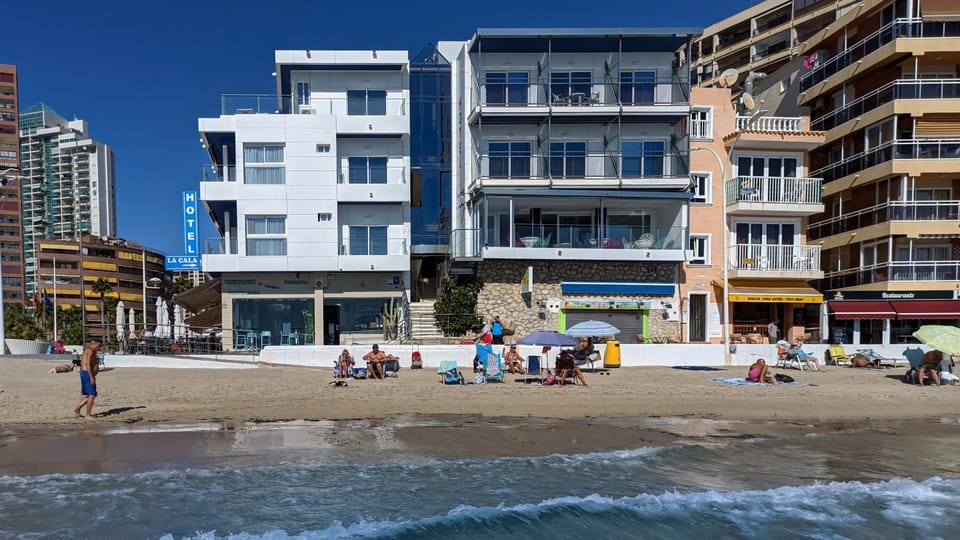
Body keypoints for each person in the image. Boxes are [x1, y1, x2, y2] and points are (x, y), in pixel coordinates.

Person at [73, 339, 103, 419]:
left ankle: (78, 408)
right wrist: (91, 377)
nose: (99, 349)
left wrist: (96, 362)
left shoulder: (90, 351)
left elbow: (92, 366)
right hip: (87, 373)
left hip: (85, 373)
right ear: (96, 344)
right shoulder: (90, 351)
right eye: (99, 346)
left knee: (93, 394)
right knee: (92, 395)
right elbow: (88, 364)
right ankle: (88, 414)